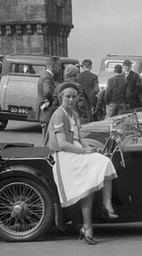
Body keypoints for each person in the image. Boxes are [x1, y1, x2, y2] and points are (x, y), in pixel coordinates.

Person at [47, 83, 118, 245]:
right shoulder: (59, 115)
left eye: (74, 97)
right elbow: (63, 144)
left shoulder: (73, 114)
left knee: (99, 168)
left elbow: (78, 138)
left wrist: (90, 148)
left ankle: (94, 219)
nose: (71, 100)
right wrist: (85, 152)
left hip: (76, 150)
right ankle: (103, 207)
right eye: (68, 97)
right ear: (61, 98)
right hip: (64, 155)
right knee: (102, 165)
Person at [36, 56, 62, 142]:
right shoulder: (47, 77)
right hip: (47, 112)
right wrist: (53, 101)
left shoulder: (45, 76)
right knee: (47, 139)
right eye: (58, 65)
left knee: (47, 138)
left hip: (45, 112)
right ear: (52, 66)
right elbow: (47, 92)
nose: (60, 68)